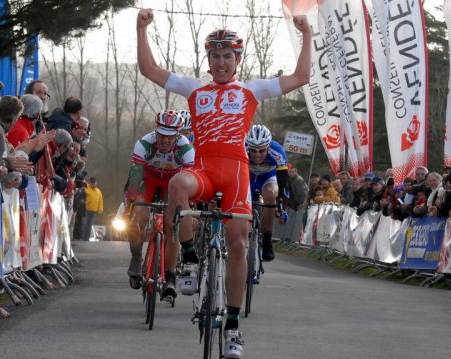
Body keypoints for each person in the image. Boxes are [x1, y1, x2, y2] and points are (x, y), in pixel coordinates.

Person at [136, 8, 311, 358]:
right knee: (177, 186)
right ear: (208, 59)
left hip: (236, 175)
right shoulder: (194, 89)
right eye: (214, 57)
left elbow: (301, 76)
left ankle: (232, 326)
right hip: (202, 170)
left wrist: (306, 34)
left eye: (227, 57)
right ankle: (187, 258)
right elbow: (149, 70)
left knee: (238, 244)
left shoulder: (250, 90)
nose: (220, 63)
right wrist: (141, 29)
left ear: (237, 59)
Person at [124, 110, 195, 296]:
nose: (165, 141)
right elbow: (134, 178)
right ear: (156, 132)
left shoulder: (186, 149)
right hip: (148, 180)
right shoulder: (144, 144)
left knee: (172, 226)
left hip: (173, 183)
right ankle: (136, 256)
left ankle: (170, 276)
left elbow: (189, 184)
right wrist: (132, 202)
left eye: (170, 136)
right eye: (162, 135)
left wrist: (188, 207)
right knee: (138, 215)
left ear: (178, 135)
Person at [245, 124, 289, 262]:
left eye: (262, 150)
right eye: (253, 150)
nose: (257, 154)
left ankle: (267, 240)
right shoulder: (242, 148)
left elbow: (283, 183)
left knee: (270, 194)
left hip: (267, 179)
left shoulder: (277, 151)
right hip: (248, 178)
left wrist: (281, 207)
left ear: (268, 147)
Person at [82, 177, 104, 242]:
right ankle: (84, 237)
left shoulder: (98, 191)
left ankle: (86, 237)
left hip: (94, 211)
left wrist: (100, 209)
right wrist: (85, 203)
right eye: (92, 183)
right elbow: (82, 197)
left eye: (94, 183)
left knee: (89, 224)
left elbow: (101, 201)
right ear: (90, 183)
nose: (93, 184)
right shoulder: (86, 189)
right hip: (86, 209)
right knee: (85, 223)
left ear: (96, 183)